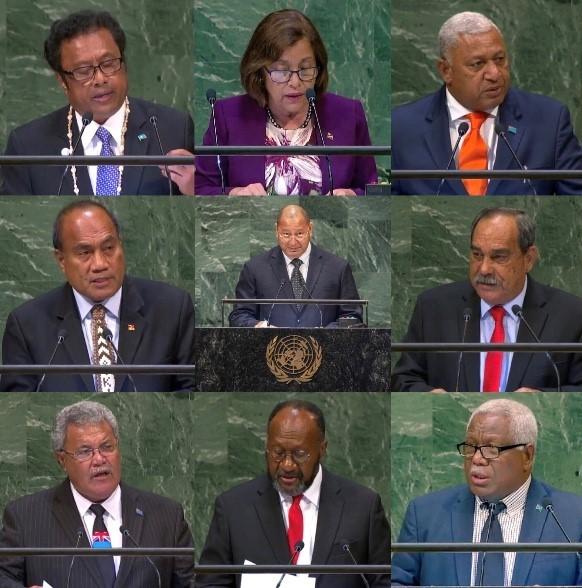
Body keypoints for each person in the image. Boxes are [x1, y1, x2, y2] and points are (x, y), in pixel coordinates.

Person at [0, 200, 194, 392]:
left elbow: (193, 391)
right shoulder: (26, 326)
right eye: (85, 252)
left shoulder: (172, 308)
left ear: (120, 246)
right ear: (61, 260)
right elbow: (19, 405)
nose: (100, 264)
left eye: (109, 248)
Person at [195, 399, 389, 587]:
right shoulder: (233, 508)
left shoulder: (364, 507)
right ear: (266, 448)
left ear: (322, 450)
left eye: (299, 454)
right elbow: (210, 584)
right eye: (278, 452)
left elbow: (383, 582)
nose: (287, 465)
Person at [1, 9, 195, 196]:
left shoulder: (174, 128)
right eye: (83, 71)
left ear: (124, 64)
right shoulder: (27, 145)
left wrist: (195, 189)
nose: (100, 79)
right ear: (62, 81)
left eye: (109, 64)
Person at [0, 400, 194, 587]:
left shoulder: (167, 516)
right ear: (61, 460)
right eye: (85, 451)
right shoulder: (25, 517)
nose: (99, 459)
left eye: (107, 447)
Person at [392, 398, 582, 586]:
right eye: (470, 447)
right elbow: (398, 582)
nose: (476, 459)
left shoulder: (573, 517)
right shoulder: (425, 514)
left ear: (527, 456)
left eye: (491, 449)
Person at [391, 207, 582, 391]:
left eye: (499, 257)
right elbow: (403, 379)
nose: (484, 269)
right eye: (477, 255)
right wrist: (429, 396)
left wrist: (542, 398)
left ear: (529, 259)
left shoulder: (572, 315)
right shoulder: (433, 307)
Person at [391, 11, 582, 195]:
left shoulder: (550, 120)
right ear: (446, 70)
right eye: (478, 64)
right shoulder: (401, 127)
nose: (494, 74)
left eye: (499, 60)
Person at [195, 9, 377, 196]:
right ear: (260, 72)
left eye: (305, 69)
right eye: (282, 71)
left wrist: (353, 197)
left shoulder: (348, 114)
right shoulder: (228, 116)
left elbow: (373, 191)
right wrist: (234, 194)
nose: (295, 82)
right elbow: (201, 189)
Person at [229, 204, 362, 328]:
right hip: (271, 345)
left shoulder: (337, 268)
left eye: (299, 234)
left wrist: (324, 334)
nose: (293, 242)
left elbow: (353, 317)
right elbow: (239, 315)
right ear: (276, 231)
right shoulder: (255, 268)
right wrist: (260, 327)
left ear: (310, 229)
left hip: (325, 345)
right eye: (286, 234)